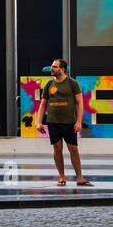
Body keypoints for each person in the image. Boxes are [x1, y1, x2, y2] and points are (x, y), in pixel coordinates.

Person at [33, 59, 93, 187]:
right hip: (53, 122)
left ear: (62, 69)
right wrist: (39, 122)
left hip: (69, 122)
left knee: (73, 149)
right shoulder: (49, 84)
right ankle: (61, 177)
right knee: (57, 149)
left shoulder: (72, 83)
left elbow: (80, 103)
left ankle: (80, 178)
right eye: (51, 67)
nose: (52, 69)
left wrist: (78, 122)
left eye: (54, 67)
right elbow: (43, 104)